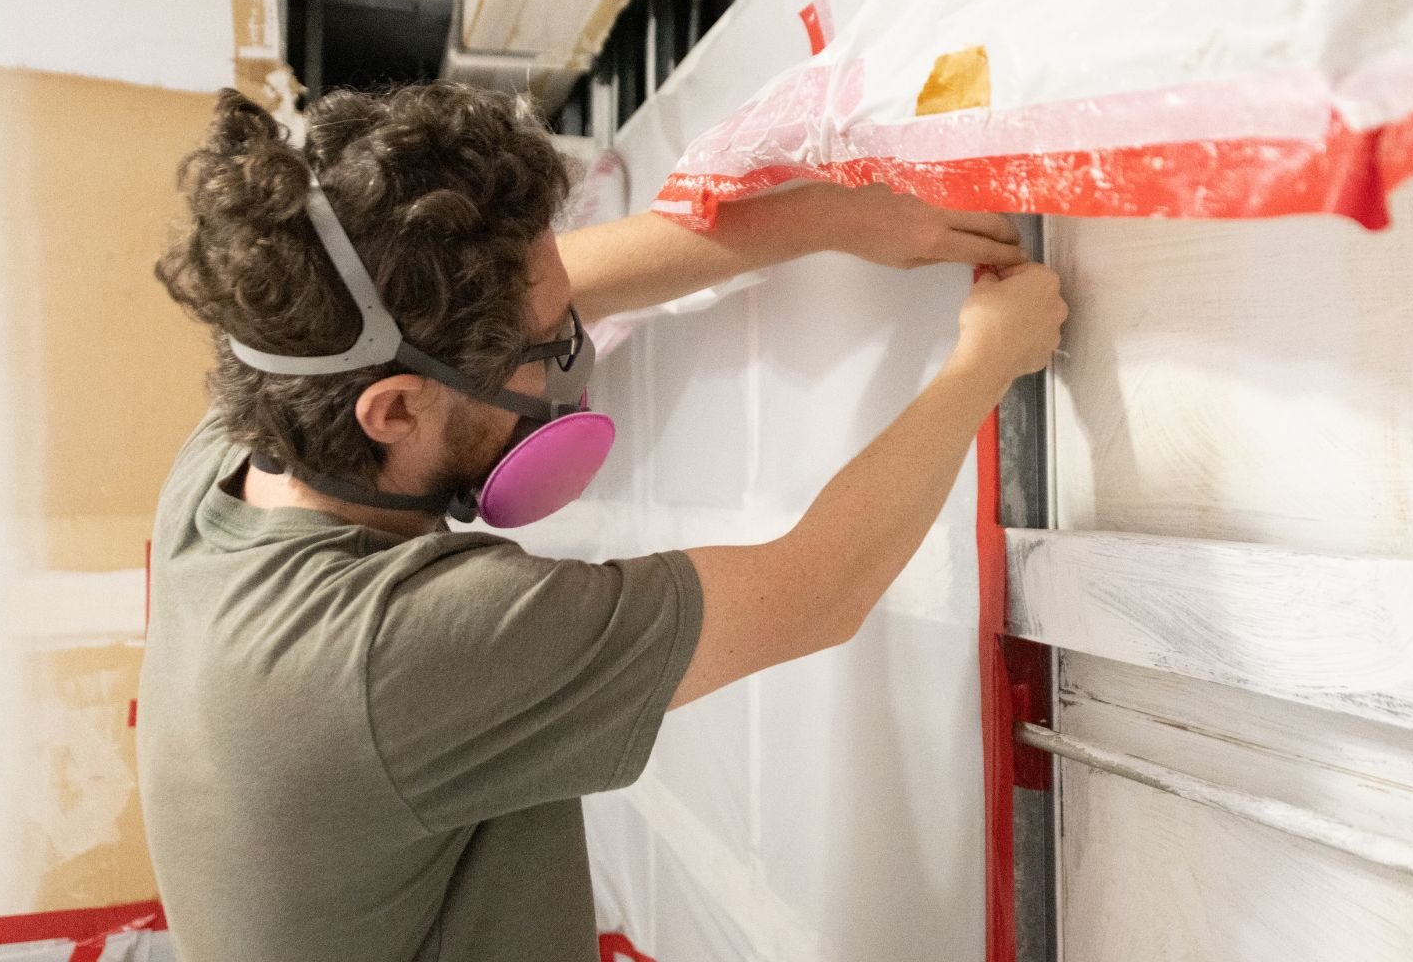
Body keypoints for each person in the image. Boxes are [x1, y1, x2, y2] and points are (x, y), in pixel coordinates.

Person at [140, 82, 1067, 962]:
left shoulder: (250, 434)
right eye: (544, 353)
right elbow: (813, 593)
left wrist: (833, 218)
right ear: (394, 411)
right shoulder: (392, 652)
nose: (568, 364)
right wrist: (985, 360)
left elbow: (550, 285)